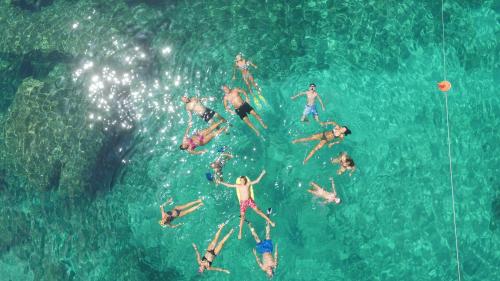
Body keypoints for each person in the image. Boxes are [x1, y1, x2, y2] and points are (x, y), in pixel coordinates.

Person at [216, 170, 275, 239]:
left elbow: (256, 181)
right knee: (242, 217)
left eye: (243, 180)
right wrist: (220, 182)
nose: (242, 182)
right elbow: (229, 185)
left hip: (249, 201)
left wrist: (262, 174)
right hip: (243, 203)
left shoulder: (248, 184)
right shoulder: (238, 185)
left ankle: (270, 222)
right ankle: (240, 232)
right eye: (241, 180)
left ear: (245, 181)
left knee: (258, 211)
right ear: (240, 181)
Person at [247, 212, 278, 278]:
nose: (270, 270)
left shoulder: (263, 268)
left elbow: (258, 261)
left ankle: (249, 224)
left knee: (256, 237)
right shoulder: (274, 265)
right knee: (268, 234)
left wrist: (255, 254)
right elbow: (275, 256)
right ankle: (268, 217)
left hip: (261, 250)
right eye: (271, 271)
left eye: (269, 272)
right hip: (269, 248)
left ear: (266, 272)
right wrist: (276, 248)